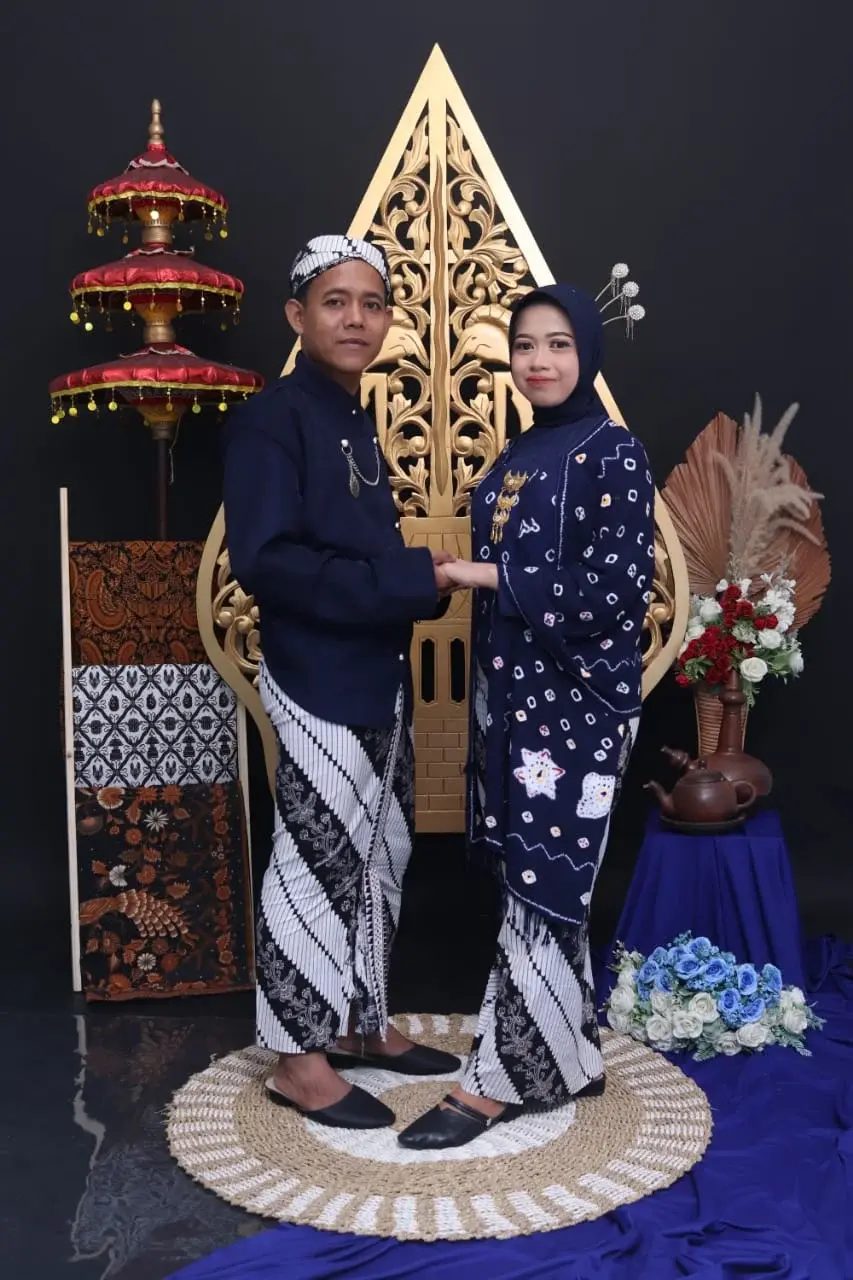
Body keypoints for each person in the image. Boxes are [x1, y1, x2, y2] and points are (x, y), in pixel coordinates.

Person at [398, 283, 655, 1149]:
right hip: (512, 701)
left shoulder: (612, 452)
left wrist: (483, 575)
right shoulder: (517, 453)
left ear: (589, 353)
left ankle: (496, 1083)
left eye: (557, 344)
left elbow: (615, 592)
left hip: (578, 704)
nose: (538, 361)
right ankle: (568, 1056)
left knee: (545, 884)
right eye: (523, 345)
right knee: (534, 878)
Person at [223, 234, 460, 1131]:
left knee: (379, 852)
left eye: (371, 302)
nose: (355, 318)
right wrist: (412, 579)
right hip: (318, 674)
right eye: (334, 301)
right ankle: (296, 1058)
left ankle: (362, 1021)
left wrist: (415, 583)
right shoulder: (272, 420)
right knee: (314, 861)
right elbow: (269, 562)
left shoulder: (350, 417)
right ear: (297, 315)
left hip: (375, 672)